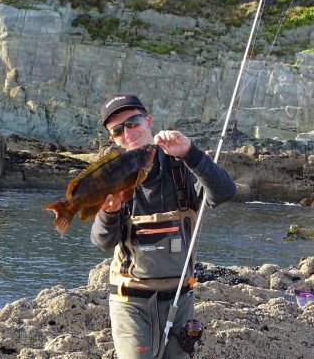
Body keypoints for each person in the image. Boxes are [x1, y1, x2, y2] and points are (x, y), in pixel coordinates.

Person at [91, 93, 236, 358]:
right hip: (129, 301)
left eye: (133, 123)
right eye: (118, 130)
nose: (128, 132)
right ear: (113, 138)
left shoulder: (182, 168)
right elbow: (102, 241)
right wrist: (107, 214)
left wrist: (190, 153)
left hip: (180, 299)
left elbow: (225, 192)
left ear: (148, 121)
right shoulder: (113, 175)